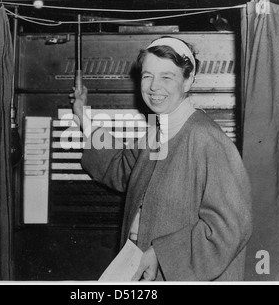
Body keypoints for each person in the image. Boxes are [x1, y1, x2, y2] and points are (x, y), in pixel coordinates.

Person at [69, 36, 253, 281]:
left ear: (188, 81)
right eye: (147, 76)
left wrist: (162, 254)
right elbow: (121, 168)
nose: (154, 87)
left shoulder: (206, 138)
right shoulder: (157, 129)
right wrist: (84, 118)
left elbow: (229, 228)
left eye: (167, 77)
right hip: (138, 264)